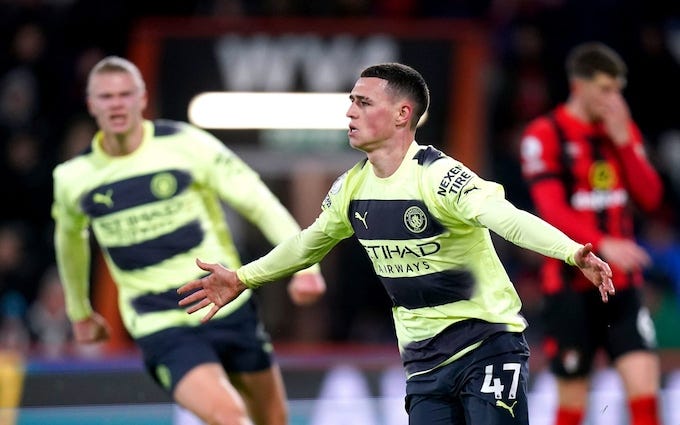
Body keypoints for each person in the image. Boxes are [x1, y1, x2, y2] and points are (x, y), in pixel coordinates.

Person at [177, 62, 615, 425]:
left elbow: (508, 219)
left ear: (403, 114)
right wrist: (242, 278)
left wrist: (571, 251)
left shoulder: (439, 176)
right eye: (350, 101)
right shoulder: (351, 188)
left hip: (487, 346)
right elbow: (307, 245)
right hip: (423, 365)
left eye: (363, 102)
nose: (349, 112)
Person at [51, 56, 327, 425]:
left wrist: (306, 266)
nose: (116, 104)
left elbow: (257, 200)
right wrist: (79, 312)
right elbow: (70, 244)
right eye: (106, 96)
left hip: (228, 308)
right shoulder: (73, 178)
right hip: (160, 323)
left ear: (142, 98)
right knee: (229, 417)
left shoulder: (186, 143)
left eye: (124, 94)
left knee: (273, 420)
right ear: (91, 104)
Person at [519, 42, 663, 425]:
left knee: (645, 394)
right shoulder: (544, 134)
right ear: (578, 85)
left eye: (618, 89)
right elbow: (551, 211)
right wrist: (604, 244)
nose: (614, 99)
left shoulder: (620, 129)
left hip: (622, 286)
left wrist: (626, 145)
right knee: (572, 404)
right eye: (605, 89)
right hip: (568, 286)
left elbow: (650, 198)